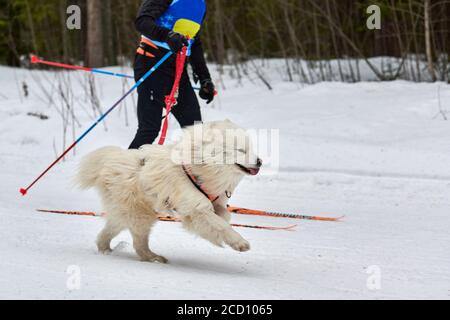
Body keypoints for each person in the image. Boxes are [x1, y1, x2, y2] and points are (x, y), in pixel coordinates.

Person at [129, 0, 215, 149]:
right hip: (152, 62)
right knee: (149, 130)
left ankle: (190, 171)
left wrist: (204, 78)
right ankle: (124, 171)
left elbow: (195, 42)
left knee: (195, 130)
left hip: (178, 70)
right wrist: (167, 35)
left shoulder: (200, 4)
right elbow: (142, 21)